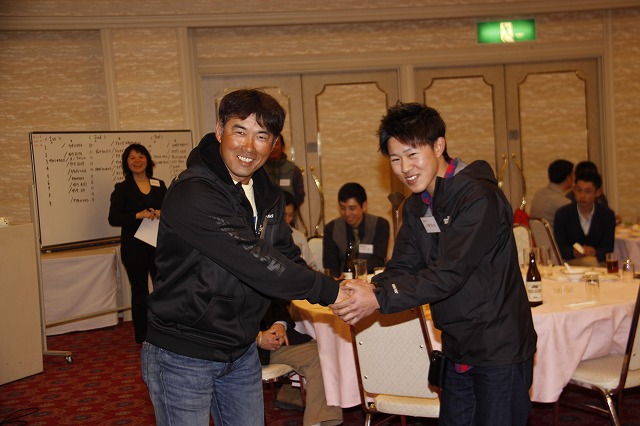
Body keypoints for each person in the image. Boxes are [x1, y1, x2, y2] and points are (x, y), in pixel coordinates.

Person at [141, 89, 347, 426]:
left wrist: (337, 289)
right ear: (219, 131)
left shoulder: (268, 195)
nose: (249, 147)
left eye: (261, 136)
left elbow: (285, 254)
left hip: (241, 350)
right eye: (240, 131)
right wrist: (331, 292)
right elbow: (255, 261)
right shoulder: (194, 192)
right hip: (184, 352)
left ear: (274, 144)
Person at [330, 102, 537, 426]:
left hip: (498, 346)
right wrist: (367, 288)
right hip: (456, 345)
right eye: (395, 159)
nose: (404, 168)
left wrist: (379, 298)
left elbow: (449, 273)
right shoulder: (417, 206)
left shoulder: (478, 197)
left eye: (412, 154)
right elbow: (403, 266)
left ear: (438, 146)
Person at [108, 143, 166, 344]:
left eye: (141, 156)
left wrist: (161, 212)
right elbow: (113, 218)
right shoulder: (122, 189)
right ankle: (143, 336)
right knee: (140, 290)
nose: (137, 161)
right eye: (132, 157)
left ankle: (164, 330)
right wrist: (138, 215)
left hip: (158, 245)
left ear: (148, 160)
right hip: (134, 247)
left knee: (162, 287)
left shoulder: (159, 184)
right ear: (126, 163)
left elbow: (171, 208)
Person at [257, 299, 343, 426]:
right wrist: (258, 338)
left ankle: (322, 421)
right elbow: (225, 326)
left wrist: (280, 324)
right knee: (319, 356)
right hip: (243, 348)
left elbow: (275, 301)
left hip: (274, 338)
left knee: (323, 354)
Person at [323, 182, 390, 277]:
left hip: (371, 279)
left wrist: (357, 273)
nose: (347, 213)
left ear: (364, 206)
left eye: (352, 208)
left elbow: (379, 260)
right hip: (342, 280)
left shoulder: (380, 225)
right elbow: (330, 265)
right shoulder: (331, 229)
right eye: (342, 208)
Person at [553, 171, 616, 266]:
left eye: (588, 191)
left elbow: (608, 247)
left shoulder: (607, 215)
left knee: (593, 262)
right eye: (578, 190)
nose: (582, 196)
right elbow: (559, 247)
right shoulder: (562, 214)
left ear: (598, 192)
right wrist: (573, 252)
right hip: (570, 263)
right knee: (590, 262)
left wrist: (595, 252)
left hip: (599, 262)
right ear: (573, 190)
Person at [263, 134, 305, 209]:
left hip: (288, 213)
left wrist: (290, 208)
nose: (273, 147)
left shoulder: (293, 170)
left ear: (283, 147)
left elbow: (299, 195)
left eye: (276, 144)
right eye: (270, 144)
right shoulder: (259, 169)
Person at [528, 159, 573, 228]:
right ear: (568, 178)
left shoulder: (539, 193)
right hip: (554, 234)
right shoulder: (564, 203)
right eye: (573, 174)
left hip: (535, 234)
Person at [283, 191, 317, 270]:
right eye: (283, 215)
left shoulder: (299, 236)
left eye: (290, 215)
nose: (287, 220)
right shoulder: (266, 236)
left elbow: (312, 264)